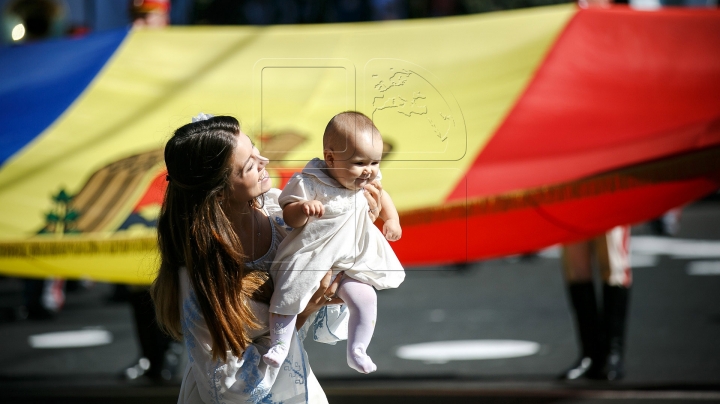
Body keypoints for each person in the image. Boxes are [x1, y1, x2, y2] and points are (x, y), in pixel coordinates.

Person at [150, 113, 384, 403]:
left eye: (256, 151)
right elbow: (230, 388)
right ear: (219, 193)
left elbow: (327, 280)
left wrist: (356, 226)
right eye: (249, 165)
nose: (265, 163)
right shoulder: (201, 280)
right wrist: (301, 312)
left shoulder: (278, 210)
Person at [262, 112, 405, 374]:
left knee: (365, 298)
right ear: (330, 158)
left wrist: (391, 220)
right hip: (314, 256)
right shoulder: (310, 181)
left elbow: (383, 198)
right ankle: (279, 345)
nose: (369, 170)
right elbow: (289, 216)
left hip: (351, 259)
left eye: (375, 162)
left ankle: (357, 349)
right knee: (289, 294)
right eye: (360, 162)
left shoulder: (367, 180)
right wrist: (302, 208)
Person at [560, 225, 632, 381]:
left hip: (610, 203)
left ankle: (613, 354)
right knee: (576, 268)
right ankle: (590, 354)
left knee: (614, 265)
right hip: (573, 204)